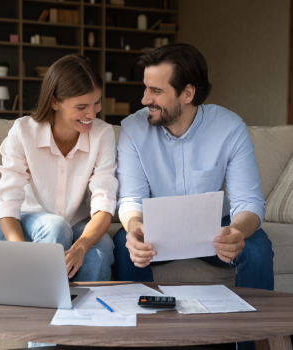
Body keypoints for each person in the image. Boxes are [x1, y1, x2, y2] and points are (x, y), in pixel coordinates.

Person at [113, 43, 273, 350]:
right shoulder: (133, 128)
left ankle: (253, 343)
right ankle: (137, 343)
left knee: (257, 246)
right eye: (146, 89)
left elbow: (249, 202)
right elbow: (130, 199)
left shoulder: (229, 127)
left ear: (187, 94)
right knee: (124, 243)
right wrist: (135, 226)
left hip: (215, 229)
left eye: (156, 91)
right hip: (156, 229)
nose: (145, 99)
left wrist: (237, 232)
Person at [0, 55, 117, 348]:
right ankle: (43, 343)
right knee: (55, 227)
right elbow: (7, 200)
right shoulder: (23, 131)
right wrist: (21, 253)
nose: (92, 113)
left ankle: (87, 340)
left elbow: (104, 200)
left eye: (97, 103)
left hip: (76, 226)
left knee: (101, 250)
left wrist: (82, 246)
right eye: (81, 107)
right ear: (55, 102)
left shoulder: (102, 134)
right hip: (24, 224)